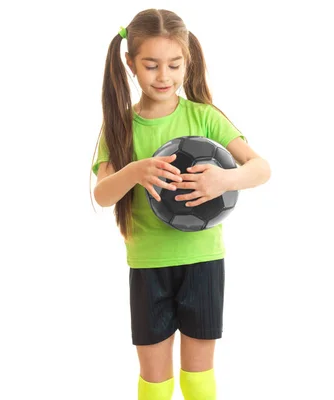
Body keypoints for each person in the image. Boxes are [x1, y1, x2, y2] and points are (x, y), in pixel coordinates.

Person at [91, 8, 271, 400]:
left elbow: (261, 168)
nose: (164, 76)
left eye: (174, 65)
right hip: (148, 264)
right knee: (154, 380)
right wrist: (135, 171)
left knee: (198, 374)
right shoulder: (120, 126)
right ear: (130, 64)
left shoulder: (204, 117)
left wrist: (226, 178)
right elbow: (103, 194)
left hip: (202, 261)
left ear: (187, 60)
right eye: (151, 65)